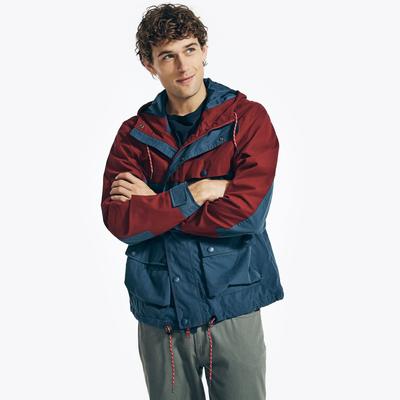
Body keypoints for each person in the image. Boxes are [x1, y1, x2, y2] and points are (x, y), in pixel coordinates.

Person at [101, 3, 284, 399]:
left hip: (231, 304)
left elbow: (247, 215)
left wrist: (158, 203)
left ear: (204, 50)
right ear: (150, 65)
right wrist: (197, 193)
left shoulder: (246, 120)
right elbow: (121, 219)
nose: (183, 65)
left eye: (189, 49)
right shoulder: (133, 136)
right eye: (167, 56)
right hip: (162, 313)